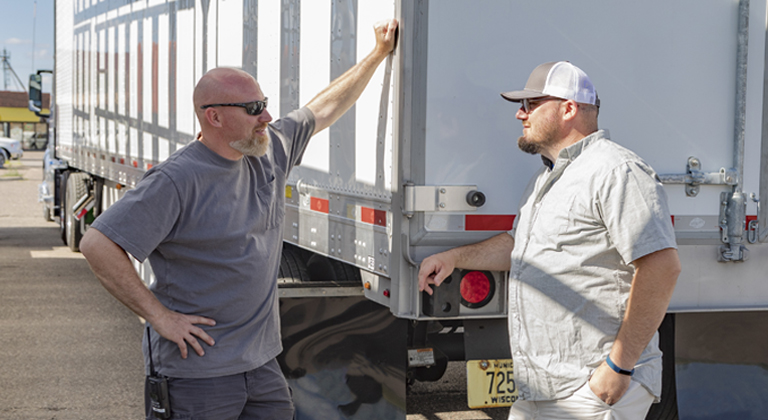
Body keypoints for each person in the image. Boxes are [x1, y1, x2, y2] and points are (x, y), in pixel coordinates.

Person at [80, 18, 398, 420]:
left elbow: (322, 109)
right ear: (213, 117)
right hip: (198, 373)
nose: (265, 116)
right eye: (252, 109)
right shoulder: (176, 179)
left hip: (261, 366)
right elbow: (98, 244)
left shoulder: (268, 151)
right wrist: (159, 317)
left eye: (264, 104)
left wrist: (376, 55)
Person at [418, 61, 681, 420]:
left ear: (569, 108)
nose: (519, 114)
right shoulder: (545, 180)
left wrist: (618, 367)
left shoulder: (616, 171)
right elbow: (521, 246)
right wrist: (455, 257)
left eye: (530, 104)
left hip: (590, 386)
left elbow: (661, 267)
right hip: (542, 389)